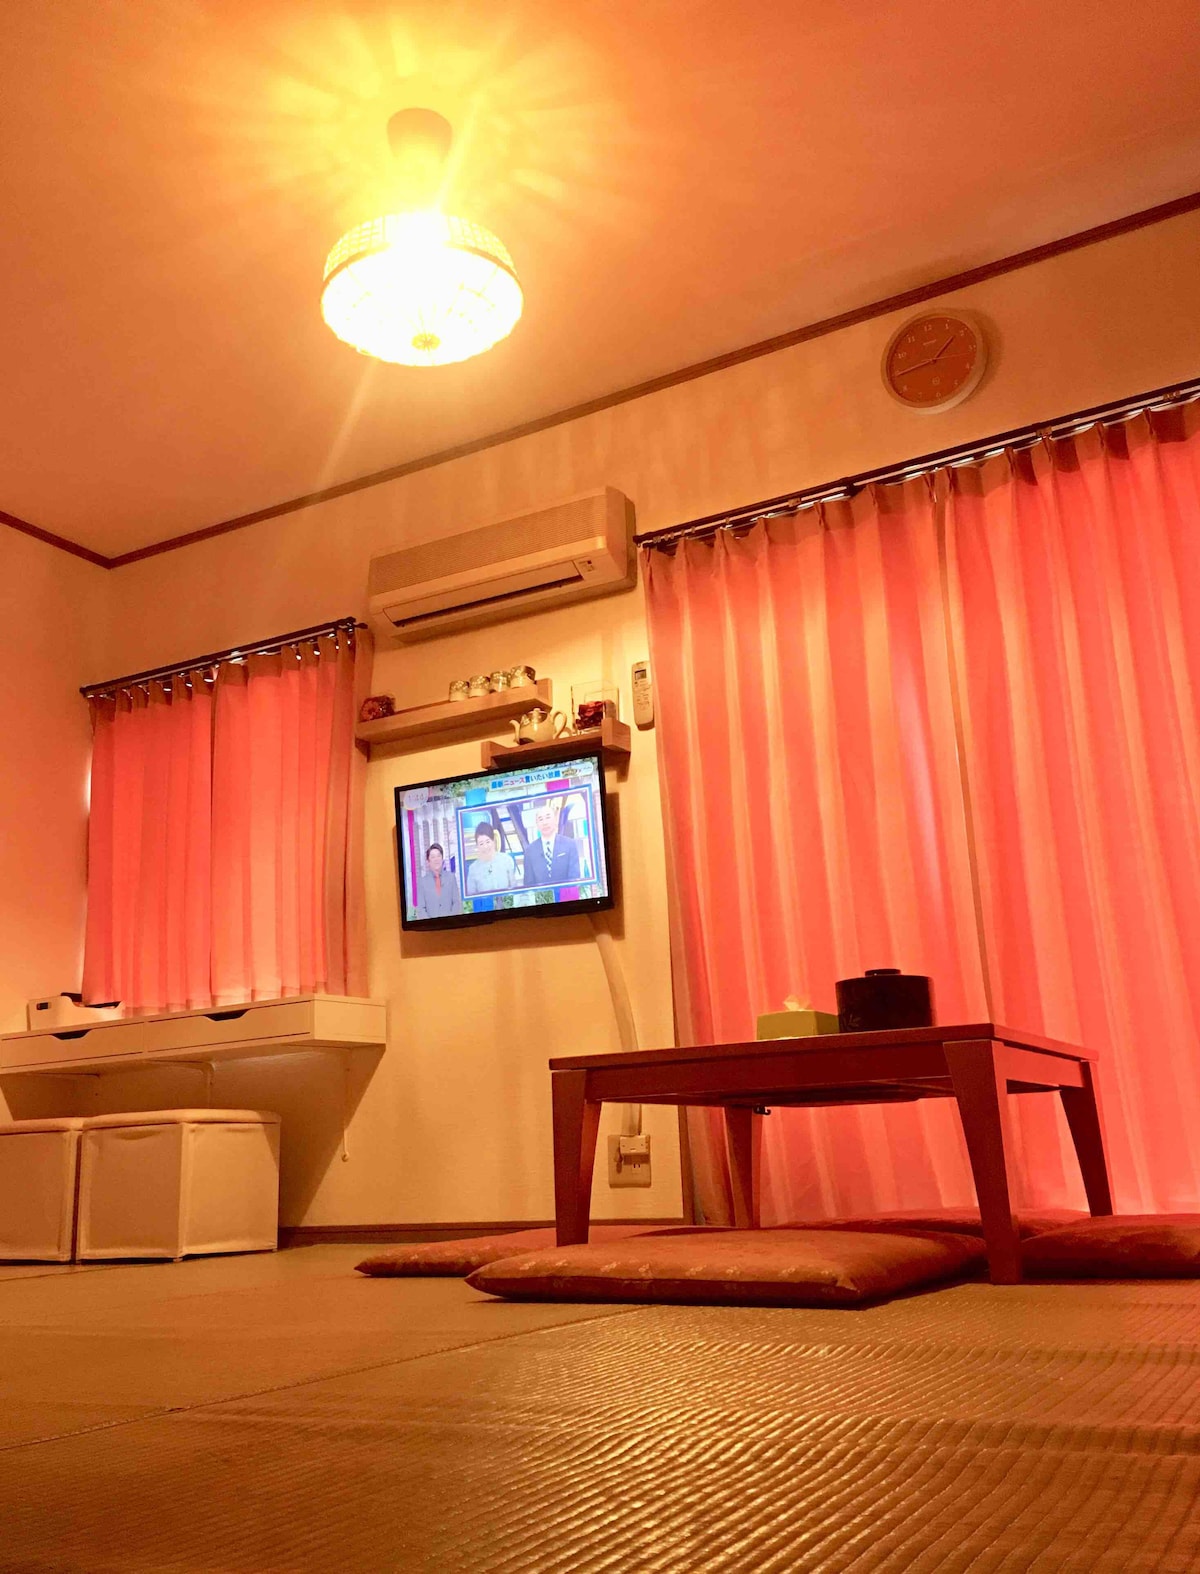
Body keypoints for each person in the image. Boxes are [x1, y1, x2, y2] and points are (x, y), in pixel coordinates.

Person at [523, 798, 581, 888]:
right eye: (541, 819)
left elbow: (574, 877)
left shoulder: (570, 844)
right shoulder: (530, 851)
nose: (545, 822)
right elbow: (529, 883)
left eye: (548, 817)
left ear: (555, 820)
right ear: (537, 824)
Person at [465, 818, 517, 895]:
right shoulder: (473, 869)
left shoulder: (507, 860)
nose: (485, 846)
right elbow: (471, 897)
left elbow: (514, 890)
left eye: (488, 841)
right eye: (481, 844)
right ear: (477, 846)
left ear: (494, 841)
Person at [414, 843, 462, 920]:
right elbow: (421, 909)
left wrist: (451, 921)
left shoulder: (451, 878)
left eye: (438, 856)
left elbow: (456, 903)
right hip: (431, 928)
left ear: (442, 858)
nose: (436, 859)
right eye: (433, 857)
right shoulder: (422, 882)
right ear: (428, 861)